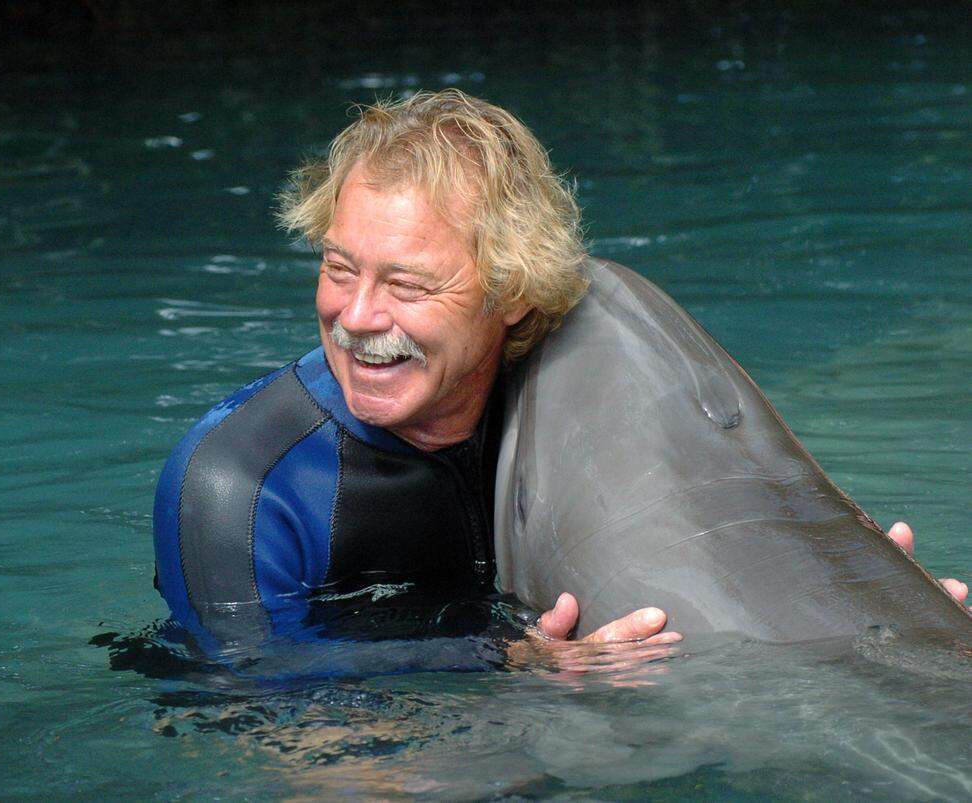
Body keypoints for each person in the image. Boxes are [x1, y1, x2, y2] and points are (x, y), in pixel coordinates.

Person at [153, 89, 966, 657]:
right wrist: (513, 678)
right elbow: (261, 727)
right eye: (338, 267)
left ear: (511, 293)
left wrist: (869, 604)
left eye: (407, 284)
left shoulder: (557, 395)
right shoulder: (240, 486)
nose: (357, 317)